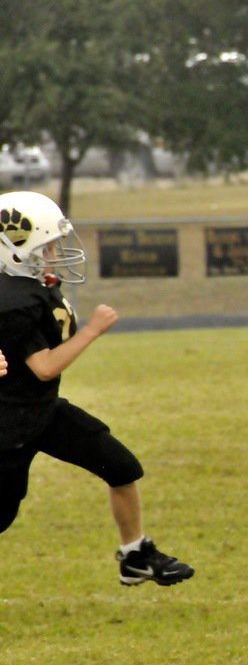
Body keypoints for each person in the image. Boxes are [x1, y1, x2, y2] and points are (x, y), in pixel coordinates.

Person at [0, 191, 194, 586]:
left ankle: (135, 554)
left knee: (120, 465)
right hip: (9, 423)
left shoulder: (31, 284)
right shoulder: (11, 300)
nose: (55, 254)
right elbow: (44, 367)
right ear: (14, 250)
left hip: (42, 410)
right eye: (46, 247)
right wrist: (92, 331)